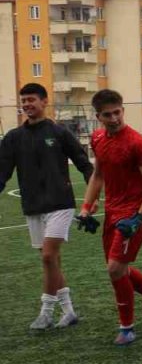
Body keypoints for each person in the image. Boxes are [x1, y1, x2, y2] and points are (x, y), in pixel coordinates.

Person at [78, 89, 142, 346]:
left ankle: (127, 328)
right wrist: (86, 207)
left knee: (114, 268)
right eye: (107, 115)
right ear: (99, 117)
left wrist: (139, 218)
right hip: (112, 212)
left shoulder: (136, 143)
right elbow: (98, 175)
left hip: (132, 214)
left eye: (117, 112)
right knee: (119, 269)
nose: (114, 118)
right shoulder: (97, 139)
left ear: (123, 110)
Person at [0, 83, 94, 329]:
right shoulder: (13, 138)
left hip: (60, 204)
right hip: (32, 206)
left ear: (44, 101)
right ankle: (69, 311)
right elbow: (2, 172)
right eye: (24, 100)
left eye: (32, 99)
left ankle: (46, 311)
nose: (27, 104)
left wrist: (91, 198)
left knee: (49, 256)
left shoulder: (59, 132)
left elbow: (84, 164)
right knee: (51, 261)